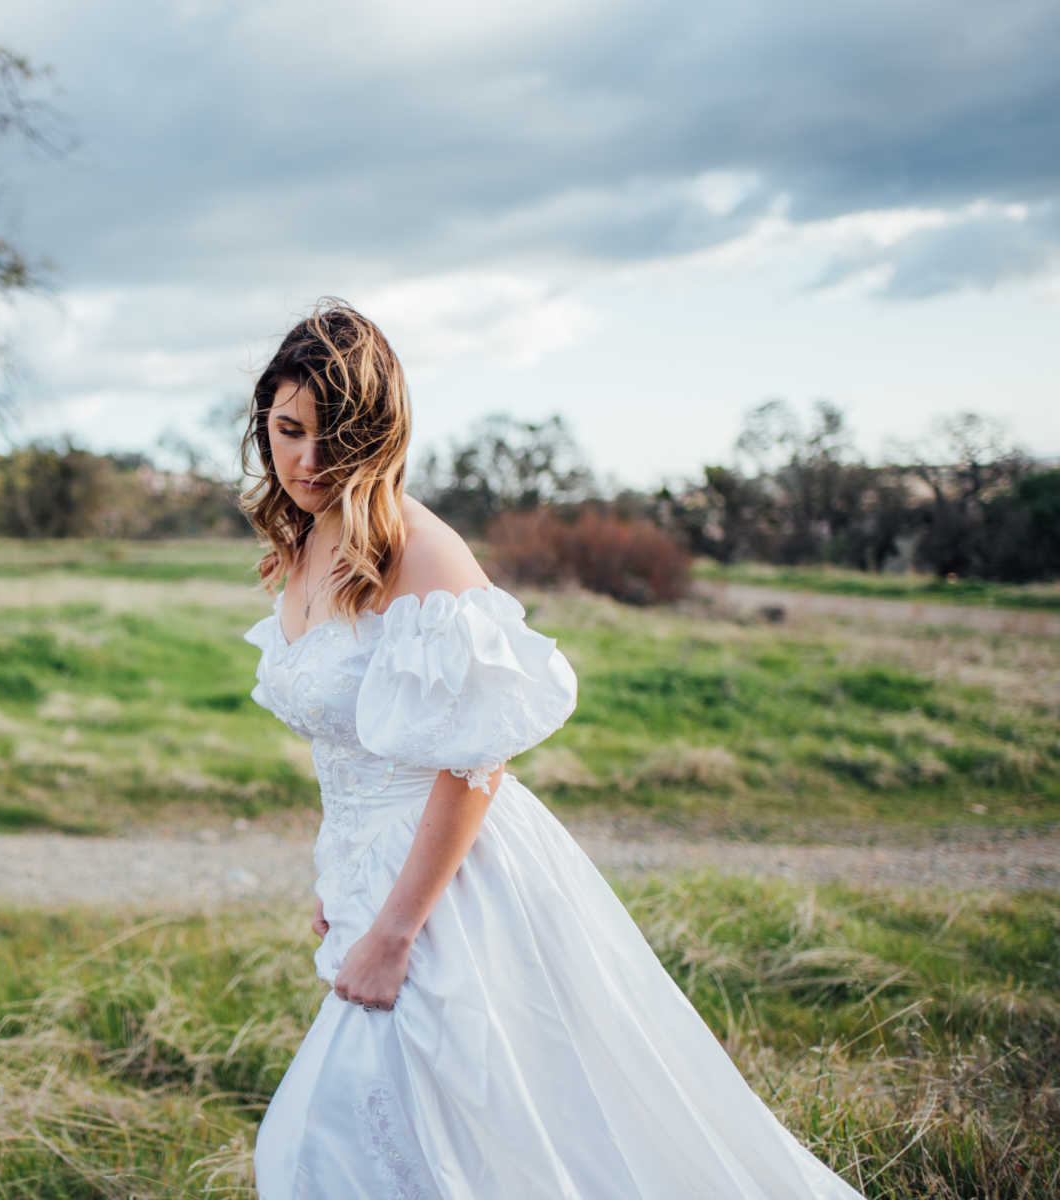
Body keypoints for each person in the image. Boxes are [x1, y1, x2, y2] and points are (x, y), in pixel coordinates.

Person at [237, 298, 869, 1198]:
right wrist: (338, 877)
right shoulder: (305, 538)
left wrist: (395, 928)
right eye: (289, 430)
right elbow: (351, 748)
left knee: (322, 1141)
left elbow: (474, 763)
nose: (307, 459)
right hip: (367, 871)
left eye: (333, 434)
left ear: (379, 433)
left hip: (446, 890)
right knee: (431, 1137)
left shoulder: (421, 553)